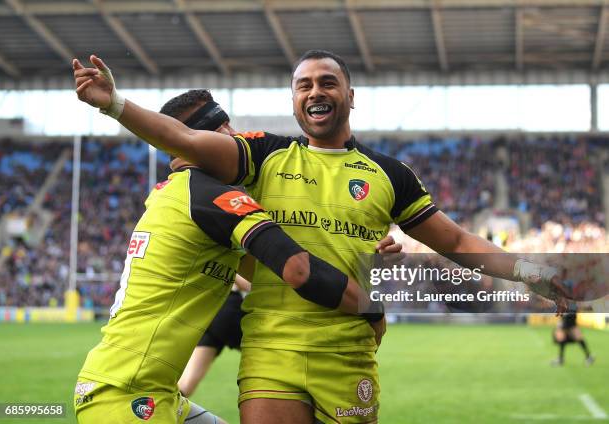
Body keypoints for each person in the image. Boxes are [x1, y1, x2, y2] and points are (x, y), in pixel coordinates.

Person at [73, 52, 567, 424]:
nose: (315, 91)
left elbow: (457, 243)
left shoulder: (390, 174)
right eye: (303, 85)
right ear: (293, 101)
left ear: (350, 95)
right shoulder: (260, 157)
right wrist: (114, 103)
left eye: (328, 82)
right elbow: (184, 141)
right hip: (271, 352)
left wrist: (532, 273)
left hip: (348, 352)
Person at [73, 86, 385, 424]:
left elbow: (271, 276)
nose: (236, 138)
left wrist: (364, 255)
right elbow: (298, 270)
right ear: (196, 140)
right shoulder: (210, 195)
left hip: (150, 390)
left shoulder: (177, 193)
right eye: (224, 129)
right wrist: (371, 306)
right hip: (127, 395)